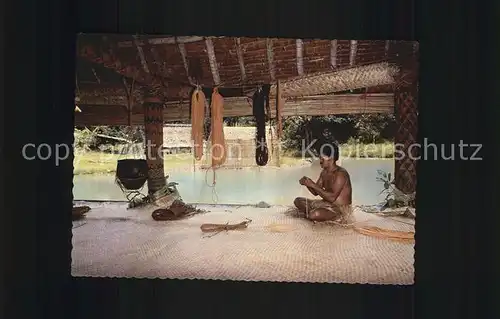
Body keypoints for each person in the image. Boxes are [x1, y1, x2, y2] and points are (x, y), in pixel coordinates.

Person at [293, 143, 353, 223]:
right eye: (319, 158)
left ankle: (332, 216)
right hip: (326, 204)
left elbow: (332, 198)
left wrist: (312, 184)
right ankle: (314, 213)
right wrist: (307, 183)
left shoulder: (340, 174)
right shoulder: (324, 172)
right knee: (298, 201)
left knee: (314, 214)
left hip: (339, 209)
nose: (320, 161)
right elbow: (315, 192)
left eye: (322, 158)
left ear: (330, 158)